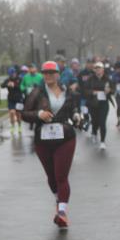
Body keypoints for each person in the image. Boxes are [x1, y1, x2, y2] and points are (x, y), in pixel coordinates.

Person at [21, 60, 80, 228]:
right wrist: (39, 114)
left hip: (65, 137)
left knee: (61, 176)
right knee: (52, 176)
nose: (48, 75)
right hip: (43, 140)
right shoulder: (37, 92)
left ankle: (62, 212)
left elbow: (73, 108)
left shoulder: (66, 90)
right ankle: (58, 198)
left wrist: (77, 115)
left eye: (51, 72)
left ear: (57, 74)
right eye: (45, 73)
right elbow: (24, 114)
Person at [84, 61, 112, 148]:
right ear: (94, 70)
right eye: (96, 68)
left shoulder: (107, 79)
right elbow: (85, 90)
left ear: (103, 69)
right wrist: (93, 92)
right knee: (95, 121)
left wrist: (109, 91)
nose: (98, 70)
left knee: (102, 122)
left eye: (99, 68)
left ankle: (102, 141)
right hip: (93, 103)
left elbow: (113, 89)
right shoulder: (90, 79)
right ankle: (94, 133)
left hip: (104, 103)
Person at [3, 66, 24, 134]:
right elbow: (2, 85)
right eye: (12, 74)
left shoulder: (19, 79)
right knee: (12, 113)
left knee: (18, 114)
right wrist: (7, 84)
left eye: (14, 73)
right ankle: (12, 126)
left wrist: (14, 85)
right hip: (11, 99)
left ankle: (19, 126)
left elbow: (21, 87)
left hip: (19, 99)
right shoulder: (8, 79)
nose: (13, 74)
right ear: (10, 74)